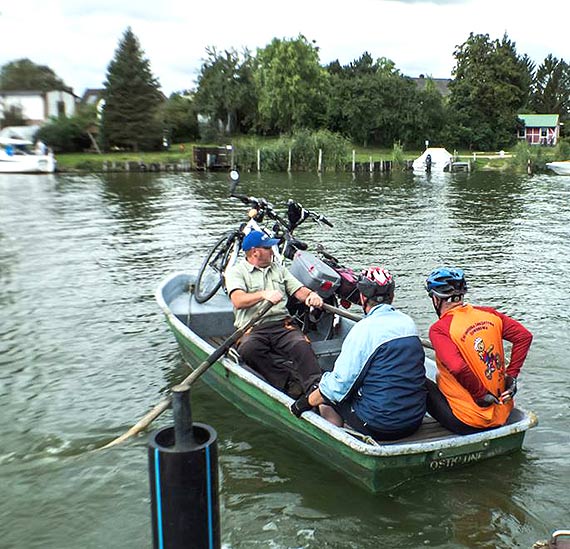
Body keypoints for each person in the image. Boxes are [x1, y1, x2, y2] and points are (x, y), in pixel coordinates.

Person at [291, 267, 428, 441]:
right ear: (391, 297)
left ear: (363, 298)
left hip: (381, 426)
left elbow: (336, 387)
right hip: (414, 421)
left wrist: (302, 404)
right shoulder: (408, 323)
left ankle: (334, 438)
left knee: (326, 396)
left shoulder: (363, 330)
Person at [424, 267, 533, 435]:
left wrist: (480, 395)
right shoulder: (489, 314)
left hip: (470, 421)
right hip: (503, 413)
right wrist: (511, 375)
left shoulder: (439, 329)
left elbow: (458, 367)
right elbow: (524, 337)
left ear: (436, 299)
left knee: (418, 382)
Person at [224, 230, 325, 397]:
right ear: (255, 251)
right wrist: (263, 294)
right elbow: (238, 300)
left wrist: (311, 295)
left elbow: (298, 290)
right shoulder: (236, 272)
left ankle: (317, 390)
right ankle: (289, 383)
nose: (273, 250)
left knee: (301, 345)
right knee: (249, 350)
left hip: (282, 324)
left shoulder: (278, 269)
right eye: (268, 247)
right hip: (253, 327)